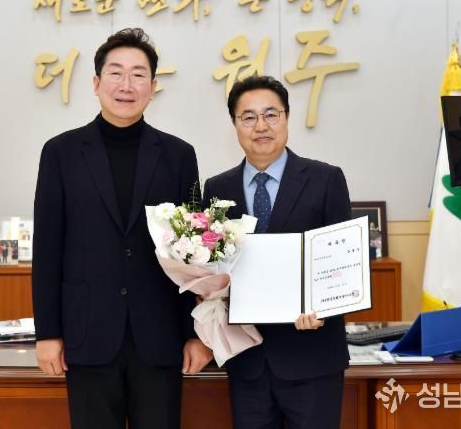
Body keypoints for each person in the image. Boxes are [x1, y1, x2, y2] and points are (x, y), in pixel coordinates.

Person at [32, 28, 213, 429]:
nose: (126, 85)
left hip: (160, 336)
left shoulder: (179, 155)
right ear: (96, 83)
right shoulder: (60, 153)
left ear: (153, 87)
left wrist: (195, 334)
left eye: (138, 74)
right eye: (115, 73)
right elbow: (46, 249)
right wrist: (47, 333)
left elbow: (194, 254)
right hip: (87, 335)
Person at [202, 75, 351, 429]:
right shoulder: (217, 188)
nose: (261, 126)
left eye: (271, 114)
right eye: (248, 117)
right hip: (247, 361)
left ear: (286, 117)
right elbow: (211, 268)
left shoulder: (326, 179)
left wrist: (324, 308)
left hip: (311, 357)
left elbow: (342, 263)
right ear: (235, 125)